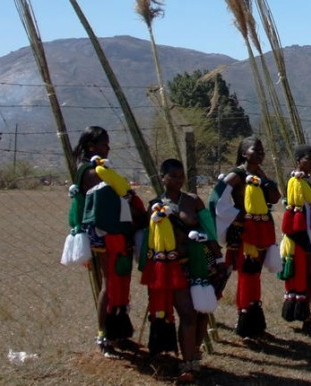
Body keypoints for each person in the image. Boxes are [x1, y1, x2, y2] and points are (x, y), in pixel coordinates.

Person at [142, 159, 222, 381]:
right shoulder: (154, 207)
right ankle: (186, 365)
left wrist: (219, 258)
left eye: (181, 175)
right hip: (172, 268)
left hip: (198, 263)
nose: (178, 179)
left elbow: (210, 231)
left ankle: (194, 353)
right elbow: (149, 243)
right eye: (173, 175)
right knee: (187, 313)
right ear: (162, 178)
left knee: (201, 311)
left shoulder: (194, 201)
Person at [70, 126, 147, 356]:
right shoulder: (91, 173)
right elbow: (115, 201)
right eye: (104, 144)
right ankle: (104, 335)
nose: (108, 148)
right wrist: (134, 206)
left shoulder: (99, 169)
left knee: (121, 279)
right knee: (110, 281)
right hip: (106, 232)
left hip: (119, 231)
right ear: (92, 146)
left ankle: (119, 332)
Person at [208, 136, 280, 338]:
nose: (260, 153)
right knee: (245, 274)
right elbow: (216, 198)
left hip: (261, 232)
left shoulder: (260, 175)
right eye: (255, 149)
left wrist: (264, 179)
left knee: (254, 275)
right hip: (244, 233)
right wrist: (236, 214)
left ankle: (254, 321)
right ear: (243, 153)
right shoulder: (237, 175)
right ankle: (245, 321)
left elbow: (275, 198)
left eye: (262, 150)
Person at [279, 145, 311, 326]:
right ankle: (304, 312)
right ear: (298, 161)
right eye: (309, 159)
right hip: (301, 233)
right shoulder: (294, 181)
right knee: (305, 271)